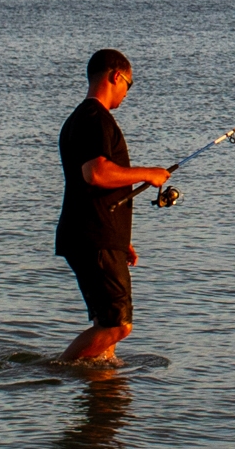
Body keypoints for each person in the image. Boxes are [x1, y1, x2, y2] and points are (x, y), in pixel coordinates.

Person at [54, 49, 172, 366]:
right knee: (118, 325)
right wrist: (150, 173)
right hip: (92, 237)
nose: (126, 92)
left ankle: (102, 390)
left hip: (95, 234)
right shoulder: (95, 118)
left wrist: (122, 241)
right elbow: (96, 173)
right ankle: (55, 373)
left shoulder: (80, 119)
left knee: (105, 328)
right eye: (128, 85)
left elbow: (91, 190)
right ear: (115, 76)